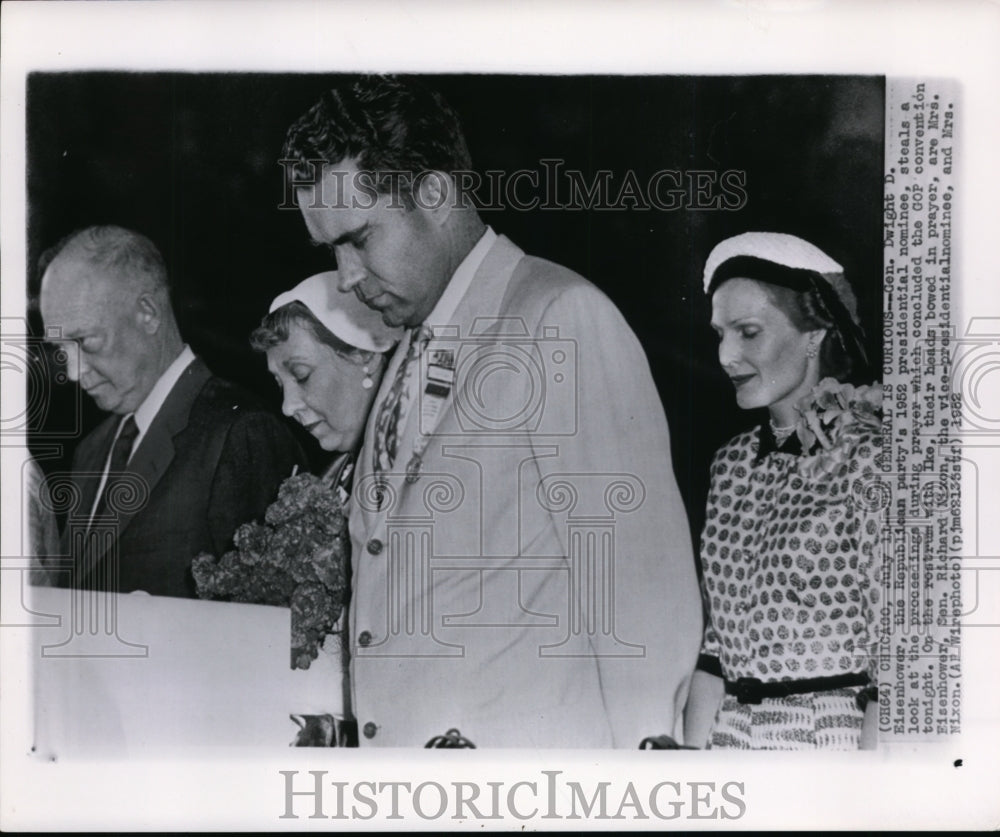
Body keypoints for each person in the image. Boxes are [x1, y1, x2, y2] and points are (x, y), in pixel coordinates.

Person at [280, 75, 702, 748]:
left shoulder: (558, 319)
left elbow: (642, 607)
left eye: (360, 237)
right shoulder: (408, 351)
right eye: (331, 249)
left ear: (437, 194)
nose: (347, 274)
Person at [684, 231, 883, 750]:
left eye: (748, 332)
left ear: (813, 335)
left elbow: (902, 659)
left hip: (832, 744)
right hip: (729, 738)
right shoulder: (729, 465)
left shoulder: (870, 459)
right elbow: (715, 650)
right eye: (720, 334)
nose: (727, 356)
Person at [38, 225, 307, 598]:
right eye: (60, 349)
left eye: (85, 341)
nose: (72, 370)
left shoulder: (241, 434)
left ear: (148, 313)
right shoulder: (90, 451)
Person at [250, 270, 403, 747]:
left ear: (364, 358)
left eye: (300, 375)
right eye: (279, 384)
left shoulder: (416, 481)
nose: (288, 406)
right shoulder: (331, 477)